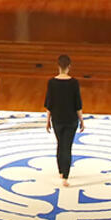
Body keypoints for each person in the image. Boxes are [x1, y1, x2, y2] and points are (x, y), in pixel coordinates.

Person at [44, 54, 84, 186]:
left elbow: (49, 103)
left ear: (58, 66)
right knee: (67, 147)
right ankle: (65, 176)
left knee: (60, 144)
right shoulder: (74, 83)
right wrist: (82, 120)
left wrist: (48, 120)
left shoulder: (51, 82)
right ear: (69, 67)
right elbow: (77, 104)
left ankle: (61, 170)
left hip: (57, 120)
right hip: (71, 120)